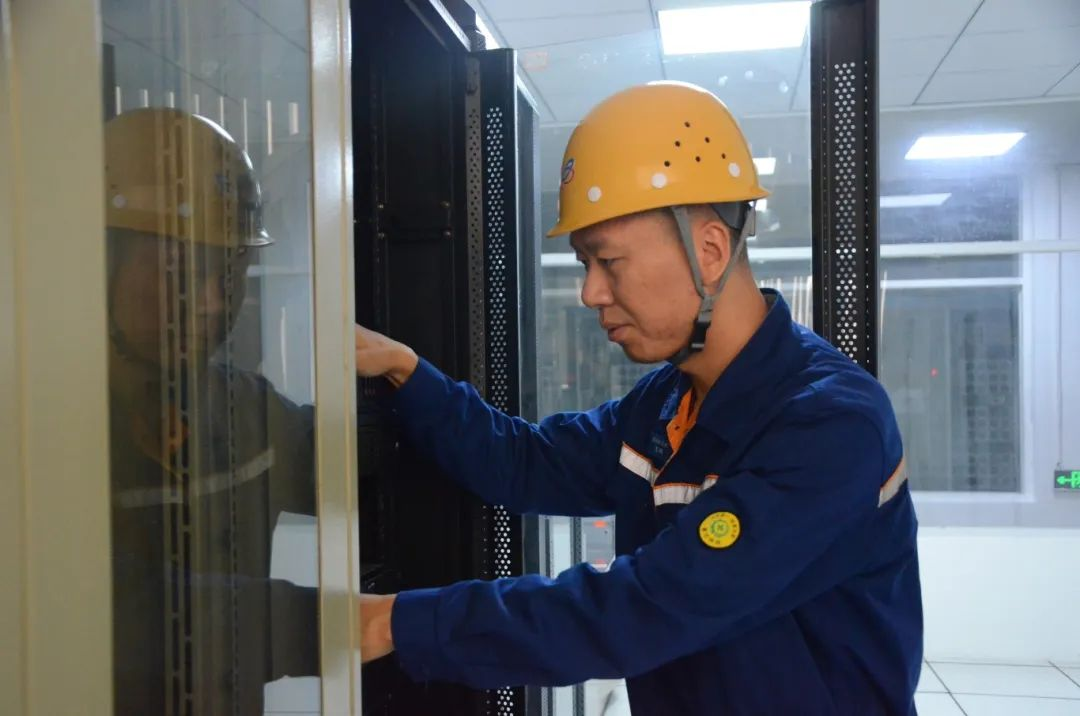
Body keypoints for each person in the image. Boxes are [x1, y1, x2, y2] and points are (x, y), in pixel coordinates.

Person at [355, 81, 923, 714]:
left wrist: (395, 623)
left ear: (709, 251)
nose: (590, 292)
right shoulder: (667, 404)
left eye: (608, 261)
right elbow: (527, 462)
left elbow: (640, 610)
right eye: (584, 264)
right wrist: (406, 372)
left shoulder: (830, 425)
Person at [105, 107, 318, 714]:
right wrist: (348, 622)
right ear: (99, 265)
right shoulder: (40, 432)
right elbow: (117, 604)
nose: (211, 302)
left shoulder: (242, 409)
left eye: (231, 272)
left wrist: (412, 379)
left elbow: (353, 461)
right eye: (181, 270)